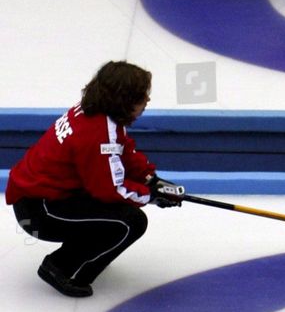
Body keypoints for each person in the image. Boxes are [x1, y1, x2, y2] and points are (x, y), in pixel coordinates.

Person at [6, 61, 183, 297]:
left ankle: (87, 253)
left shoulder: (98, 111)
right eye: (142, 96)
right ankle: (60, 268)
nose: (147, 101)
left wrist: (151, 179)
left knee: (119, 212)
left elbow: (123, 150)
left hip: (44, 198)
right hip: (40, 213)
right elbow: (111, 190)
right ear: (124, 100)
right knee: (131, 221)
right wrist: (152, 196)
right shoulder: (98, 135)